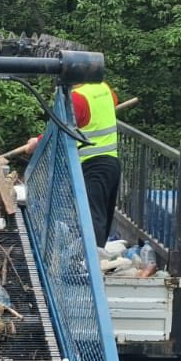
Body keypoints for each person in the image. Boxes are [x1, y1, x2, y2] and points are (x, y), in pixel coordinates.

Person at [27, 81, 122, 247]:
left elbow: (59, 129)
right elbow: (113, 103)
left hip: (93, 164)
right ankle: (99, 253)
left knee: (92, 217)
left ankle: (93, 256)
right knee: (102, 214)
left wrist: (37, 142)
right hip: (111, 162)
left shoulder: (77, 99)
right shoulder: (103, 87)